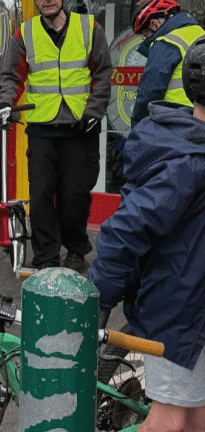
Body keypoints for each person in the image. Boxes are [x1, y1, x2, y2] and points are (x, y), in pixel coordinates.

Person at [89, 35, 205, 432]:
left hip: (195, 314)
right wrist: (97, 301)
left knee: (196, 416)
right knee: (169, 420)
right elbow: (124, 230)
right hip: (180, 314)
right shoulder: (190, 163)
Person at [0, 0, 112, 273]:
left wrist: (94, 111)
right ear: (35, 0)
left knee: (74, 195)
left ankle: (75, 250)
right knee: (42, 196)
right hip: (42, 128)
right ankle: (45, 257)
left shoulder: (90, 28)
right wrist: (5, 103)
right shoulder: (24, 33)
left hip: (79, 127)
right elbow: (12, 77)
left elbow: (102, 73)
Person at [129, 0, 204, 129]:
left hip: (176, 125)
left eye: (146, 34)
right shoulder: (201, 34)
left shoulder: (166, 43)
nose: (147, 39)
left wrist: (138, 129)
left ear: (154, 24)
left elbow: (149, 93)